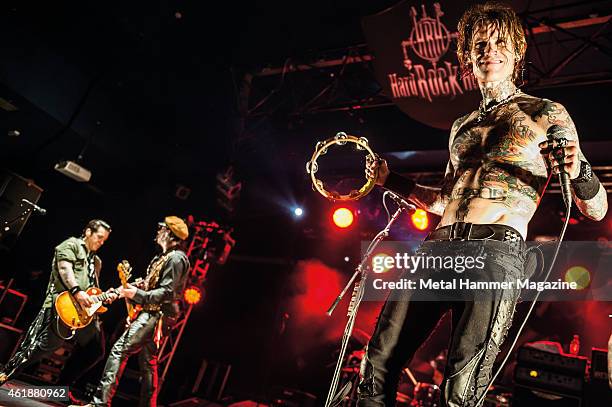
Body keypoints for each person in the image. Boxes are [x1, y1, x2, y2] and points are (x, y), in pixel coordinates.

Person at [358, 2, 608, 406]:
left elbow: (595, 209)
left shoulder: (545, 113)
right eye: (479, 44)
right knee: (378, 363)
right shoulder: (461, 127)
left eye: (498, 42)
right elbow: (442, 201)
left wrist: (578, 168)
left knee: (460, 386)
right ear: (468, 57)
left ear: (516, 52)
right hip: (439, 247)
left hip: (495, 247)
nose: (488, 49)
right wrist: (391, 181)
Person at [76, 216, 190, 407]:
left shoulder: (177, 259)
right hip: (153, 312)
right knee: (148, 363)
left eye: (161, 228)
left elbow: (167, 292)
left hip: (158, 314)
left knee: (119, 350)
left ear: (170, 234)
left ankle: (99, 403)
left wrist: (137, 294)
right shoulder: (162, 257)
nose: (158, 231)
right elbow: (147, 284)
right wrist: (123, 290)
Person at [0, 219, 116, 389]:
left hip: (83, 313)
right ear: (88, 232)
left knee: (96, 348)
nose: (101, 242)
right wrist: (77, 291)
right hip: (62, 304)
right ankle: (7, 372)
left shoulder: (96, 261)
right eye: (99, 237)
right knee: (44, 346)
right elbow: (64, 269)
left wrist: (105, 297)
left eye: (104, 240)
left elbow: (93, 289)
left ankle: (63, 387)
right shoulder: (72, 245)